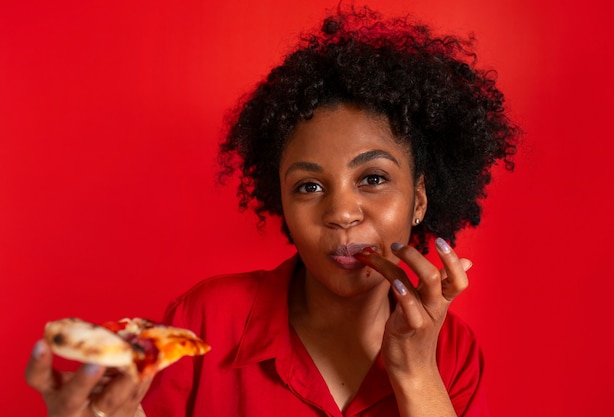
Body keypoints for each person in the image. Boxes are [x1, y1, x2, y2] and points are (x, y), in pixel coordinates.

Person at [25, 6, 519, 417]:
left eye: (372, 178)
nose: (342, 212)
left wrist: (416, 372)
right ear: (280, 200)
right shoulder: (205, 323)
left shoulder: (455, 355)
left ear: (419, 200)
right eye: (308, 186)